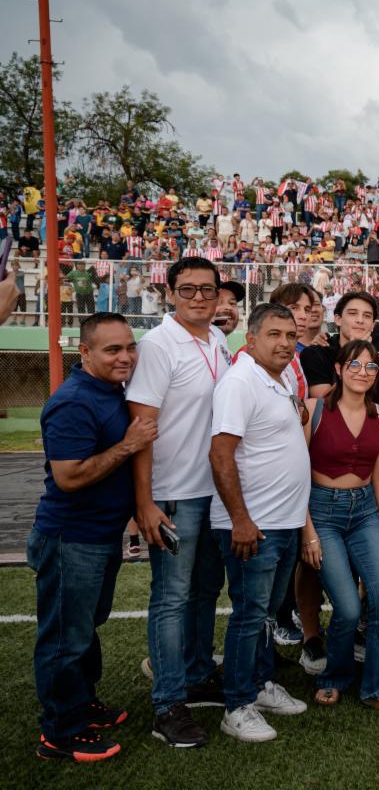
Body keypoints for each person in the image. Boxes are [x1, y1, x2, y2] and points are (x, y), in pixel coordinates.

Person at [30, 313, 156, 762]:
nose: (125, 357)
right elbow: (69, 476)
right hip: (71, 538)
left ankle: (81, 703)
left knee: (84, 627)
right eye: (112, 349)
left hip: (99, 536)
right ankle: (60, 733)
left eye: (129, 347)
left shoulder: (111, 391)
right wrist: (128, 444)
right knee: (65, 637)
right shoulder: (74, 402)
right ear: (85, 352)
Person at [125, 257, 232, 748]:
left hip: (213, 492)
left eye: (207, 289)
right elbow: (141, 428)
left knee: (206, 590)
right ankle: (167, 704)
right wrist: (144, 502)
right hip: (173, 494)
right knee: (171, 598)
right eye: (187, 289)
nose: (198, 297)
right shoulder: (157, 345)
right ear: (170, 294)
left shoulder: (218, 339)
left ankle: (195, 673)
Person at [208, 303, 311, 742]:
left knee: (267, 613)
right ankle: (236, 704)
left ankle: (262, 683)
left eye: (290, 335)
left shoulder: (281, 377)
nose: (284, 343)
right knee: (249, 615)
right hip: (255, 524)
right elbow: (221, 454)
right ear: (250, 340)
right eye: (274, 334)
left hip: (284, 520)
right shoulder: (240, 381)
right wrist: (240, 519)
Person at [302, 339, 379, 714]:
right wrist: (307, 531)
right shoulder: (312, 409)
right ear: (339, 369)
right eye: (355, 365)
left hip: (364, 513)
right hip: (321, 511)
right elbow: (297, 474)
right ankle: (335, 676)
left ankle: (377, 686)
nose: (363, 373)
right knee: (346, 608)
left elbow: (378, 474)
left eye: (371, 366)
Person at [301, 291, 379, 402]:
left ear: (373, 325)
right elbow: (322, 402)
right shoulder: (316, 354)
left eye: (367, 316)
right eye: (353, 313)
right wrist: (354, 352)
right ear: (338, 319)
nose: (360, 320)